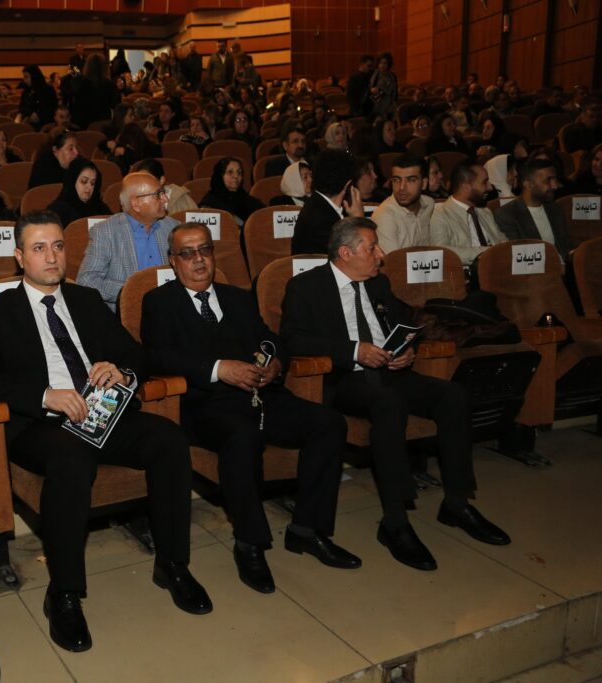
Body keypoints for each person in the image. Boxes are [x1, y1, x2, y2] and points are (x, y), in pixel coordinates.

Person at [0, 211, 211, 652]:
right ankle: (64, 592)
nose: (51, 257)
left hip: (101, 415)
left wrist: (120, 370)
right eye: (39, 248)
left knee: (169, 440)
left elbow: (137, 356)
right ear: (19, 256)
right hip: (40, 426)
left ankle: (172, 564)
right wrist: (45, 395)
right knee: (71, 456)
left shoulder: (85, 299)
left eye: (58, 246)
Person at [281, 217, 511, 571]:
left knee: (453, 395)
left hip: (389, 372)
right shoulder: (306, 286)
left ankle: (457, 503)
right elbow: (292, 339)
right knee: (389, 403)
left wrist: (406, 350)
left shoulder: (379, 283)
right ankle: (395, 521)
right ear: (345, 253)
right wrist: (354, 351)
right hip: (344, 379)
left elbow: (405, 323)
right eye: (372, 248)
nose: (381, 255)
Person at [142, 222, 359, 593]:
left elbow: (270, 339)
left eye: (204, 250)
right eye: (187, 253)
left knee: (328, 423)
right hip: (205, 405)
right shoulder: (159, 302)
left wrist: (275, 363)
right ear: (173, 261)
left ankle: (308, 529)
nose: (198, 260)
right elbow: (158, 356)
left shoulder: (237, 297)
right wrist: (218, 369)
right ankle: (250, 543)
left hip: (261, 396)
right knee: (243, 437)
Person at [77, 172, 179, 310]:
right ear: (136, 204)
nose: (165, 199)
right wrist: (133, 289)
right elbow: (87, 280)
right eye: (158, 194)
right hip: (126, 312)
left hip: (170, 309)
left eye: (163, 192)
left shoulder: (174, 227)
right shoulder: (106, 232)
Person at [495, 158, 571, 264]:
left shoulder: (555, 209)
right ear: (529, 184)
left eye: (555, 180)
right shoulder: (507, 214)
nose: (555, 186)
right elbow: (519, 257)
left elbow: (565, 248)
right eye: (548, 181)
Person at [430, 163, 506, 266]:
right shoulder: (439, 214)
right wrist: (488, 252)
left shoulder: (485, 212)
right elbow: (441, 251)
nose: (490, 188)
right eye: (484, 182)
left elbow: (503, 242)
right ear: (465, 187)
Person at [291, 150, 365, 255]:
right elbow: (352, 256)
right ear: (348, 184)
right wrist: (359, 219)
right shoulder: (320, 217)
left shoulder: (319, 204)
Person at [371, 154, 435, 254]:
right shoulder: (385, 215)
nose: (401, 187)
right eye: (396, 180)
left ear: (424, 183)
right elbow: (393, 262)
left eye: (411, 180)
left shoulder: (429, 204)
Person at [46, 157, 111, 228]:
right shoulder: (57, 211)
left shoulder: (100, 207)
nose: (89, 187)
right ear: (72, 181)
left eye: (92, 183)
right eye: (84, 181)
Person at [200, 156, 263, 227]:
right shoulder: (210, 203)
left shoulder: (245, 198)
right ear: (220, 176)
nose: (236, 176)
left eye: (239, 172)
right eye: (230, 172)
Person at [67, 53, 120, 130]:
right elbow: (116, 104)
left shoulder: (80, 83)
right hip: (103, 124)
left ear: (87, 66)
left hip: (82, 125)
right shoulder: (109, 85)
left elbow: (73, 104)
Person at [18, 65, 58, 129]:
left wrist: (38, 114)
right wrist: (30, 114)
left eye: (26, 77)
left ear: (34, 76)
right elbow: (21, 107)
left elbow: (52, 108)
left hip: (47, 124)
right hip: (29, 123)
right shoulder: (26, 91)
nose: (24, 80)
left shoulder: (48, 90)